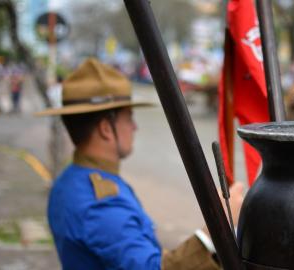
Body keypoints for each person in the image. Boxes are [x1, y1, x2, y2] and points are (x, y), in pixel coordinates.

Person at [36, 58, 244, 270]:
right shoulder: (99, 203)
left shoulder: (71, 180)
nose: (134, 127)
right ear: (106, 128)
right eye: (129, 118)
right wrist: (216, 228)